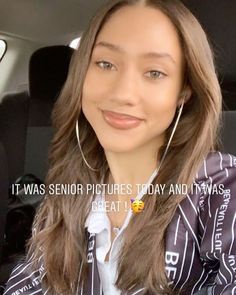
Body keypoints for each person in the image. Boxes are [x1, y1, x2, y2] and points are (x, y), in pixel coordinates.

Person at [3, 0, 236, 294]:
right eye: (105, 64)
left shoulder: (222, 188)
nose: (123, 92)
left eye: (154, 72)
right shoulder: (68, 192)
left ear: (184, 92)